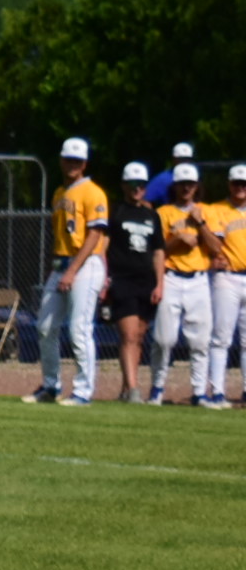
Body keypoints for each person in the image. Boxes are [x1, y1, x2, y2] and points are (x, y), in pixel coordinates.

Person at [27, 136, 108, 406]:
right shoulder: (59, 193)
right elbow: (59, 236)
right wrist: (58, 268)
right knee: (45, 326)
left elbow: (95, 235)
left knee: (79, 329)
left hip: (85, 264)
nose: (72, 164)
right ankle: (51, 386)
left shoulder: (93, 192)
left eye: (77, 161)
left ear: (84, 163)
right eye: (68, 160)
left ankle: (83, 390)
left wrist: (72, 271)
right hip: (61, 263)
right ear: (61, 161)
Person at [147, 162, 213, 405]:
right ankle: (157, 389)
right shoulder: (163, 213)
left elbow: (217, 248)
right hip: (172, 277)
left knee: (200, 341)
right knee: (164, 339)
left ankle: (199, 392)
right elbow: (156, 250)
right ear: (174, 186)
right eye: (182, 184)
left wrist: (201, 225)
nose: (186, 188)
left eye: (190, 184)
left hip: (198, 279)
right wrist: (177, 241)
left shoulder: (206, 211)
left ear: (197, 187)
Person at [106, 161, 159, 403]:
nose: (138, 189)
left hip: (146, 280)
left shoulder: (151, 215)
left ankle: (127, 387)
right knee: (127, 335)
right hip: (122, 279)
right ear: (124, 186)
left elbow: (158, 251)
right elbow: (104, 245)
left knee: (138, 336)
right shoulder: (115, 213)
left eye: (142, 185)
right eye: (134, 184)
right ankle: (135, 389)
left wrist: (160, 283)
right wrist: (104, 276)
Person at [200, 163, 246, 409]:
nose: (240, 187)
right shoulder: (217, 209)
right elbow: (213, 244)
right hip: (226, 277)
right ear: (229, 184)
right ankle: (217, 391)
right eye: (237, 183)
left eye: (244, 184)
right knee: (221, 337)